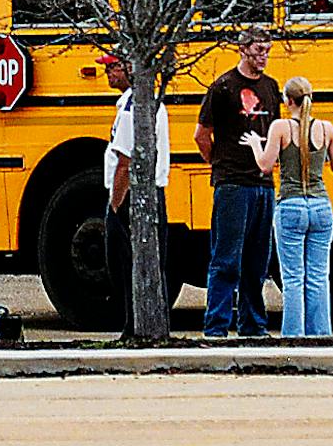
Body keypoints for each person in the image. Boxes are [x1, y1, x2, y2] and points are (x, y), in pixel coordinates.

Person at [194, 27, 281, 337]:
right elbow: (202, 134)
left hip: (263, 182)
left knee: (258, 259)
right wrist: (218, 163)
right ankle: (216, 325)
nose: (264, 57)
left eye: (267, 50)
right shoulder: (223, 87)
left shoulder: (271, 87)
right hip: (232, 182)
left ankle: (253, 324)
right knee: (226, 257)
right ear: (243, 50)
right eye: (259, 50)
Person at [244, 75, 333, 338]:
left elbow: (265, 166)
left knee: (292, 278)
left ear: (288, 101)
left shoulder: (280, 127)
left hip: (290, 206)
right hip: (321, 206)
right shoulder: (326, 129)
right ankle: (321, 335)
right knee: (318, 276)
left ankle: (293, 337)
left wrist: (257, 145)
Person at [101, 52, 176, 334]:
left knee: (126, 265)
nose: (108, 72)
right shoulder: (143, 104)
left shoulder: (135, 108)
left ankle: (135, 327)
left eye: (113, 67)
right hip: (149, 192)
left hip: (133, 195)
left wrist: (115, 204)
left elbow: (124, 162)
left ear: (130, 69)